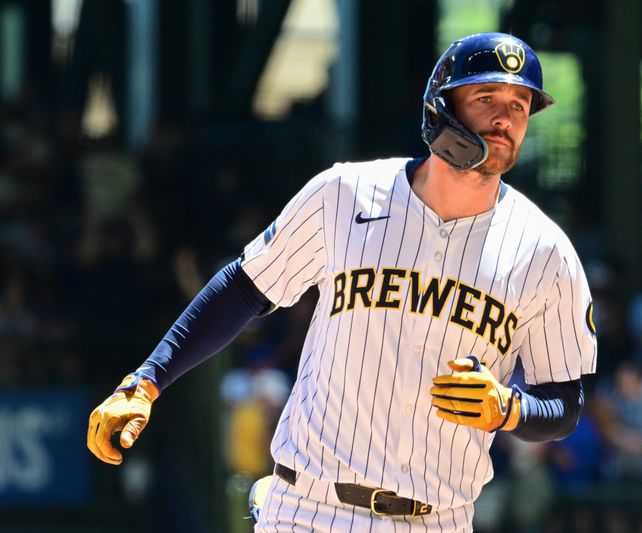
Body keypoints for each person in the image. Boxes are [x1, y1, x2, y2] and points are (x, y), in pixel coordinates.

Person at [87, 32, 597, 532]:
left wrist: (509, 409)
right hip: (309, 509)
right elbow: (245, 287)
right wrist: (146, 380)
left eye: (520, 104)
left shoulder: (546, 252)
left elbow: (565, 402)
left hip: (436, 521)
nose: (505, 117)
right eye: (486, 97)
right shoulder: (345, 193)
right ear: (442, 107)